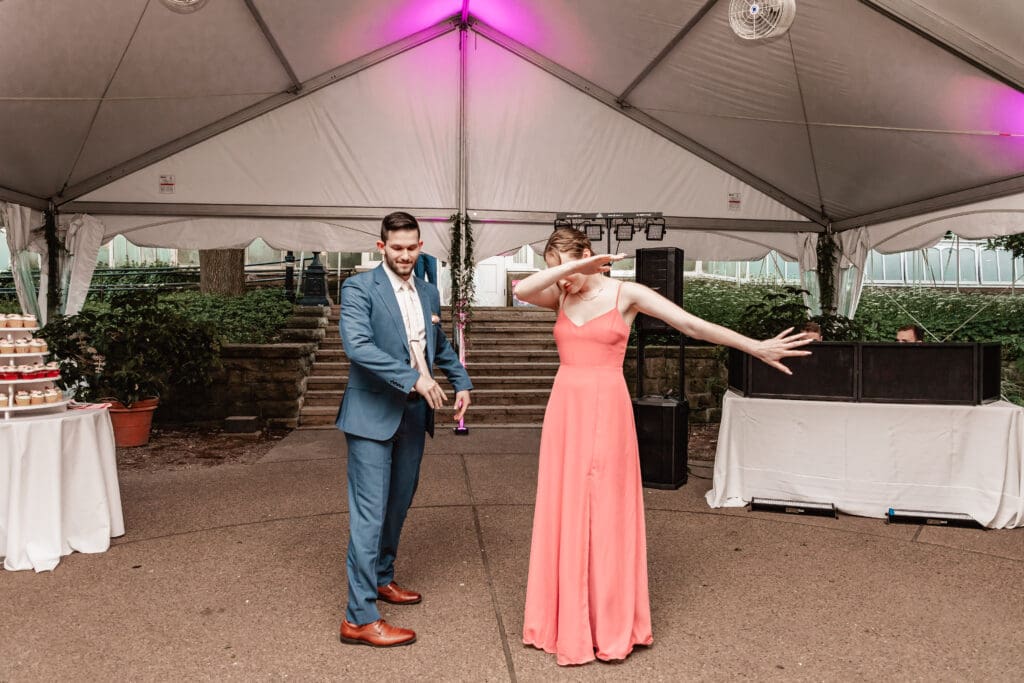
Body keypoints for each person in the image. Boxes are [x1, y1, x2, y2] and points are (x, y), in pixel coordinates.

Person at [512, 228, 813, 666]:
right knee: (565, 507)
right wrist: (569, 271)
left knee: (607, 511)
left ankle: (609, 623)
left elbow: (689, 324)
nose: (562, 281)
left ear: (589, 255)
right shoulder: (560, 293)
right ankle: (565, 622)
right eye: (555, 271)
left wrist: (752, 346)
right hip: (565, 412)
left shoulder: (626, 293)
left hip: (607, 409)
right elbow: (522, 289)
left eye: (568, 268)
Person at [336, 211, 473, 648]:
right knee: (370, 514)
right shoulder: (359, 288)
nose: (406, 255)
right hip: (371, 415)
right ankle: (358, 618)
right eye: (397, 248)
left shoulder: (430, 292)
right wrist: (414, 377)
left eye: (413, 247)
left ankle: (381, 577)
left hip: (414, 417)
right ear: (382, 247)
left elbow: (440, 345)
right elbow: (358, 346)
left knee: (398, 505)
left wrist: (461, 380)